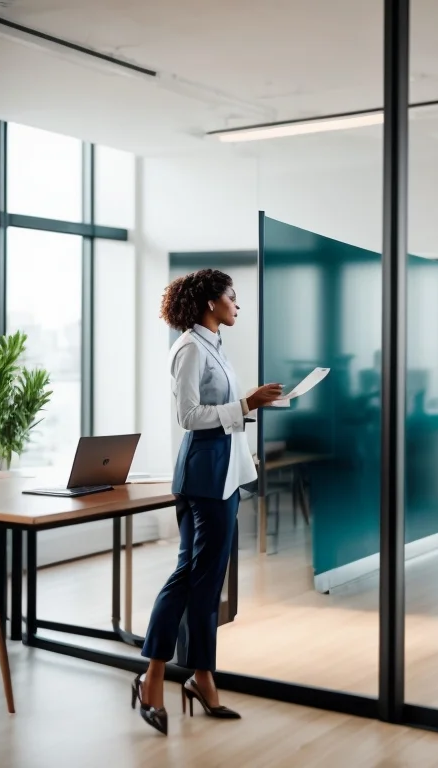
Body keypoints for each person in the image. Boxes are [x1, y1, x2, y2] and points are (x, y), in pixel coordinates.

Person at [131, 269, 283, 735]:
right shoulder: (190, 348)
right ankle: (152, 677)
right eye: (232, 297)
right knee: (189, 576)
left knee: (207, 581)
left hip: (225, 475)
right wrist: (246, 405)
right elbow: (188, 415)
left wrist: (248, 406)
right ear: (209, 302)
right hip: (202, 478)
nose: (237, 304)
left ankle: (202, 677)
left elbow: (221, 412)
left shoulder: (215, 345)